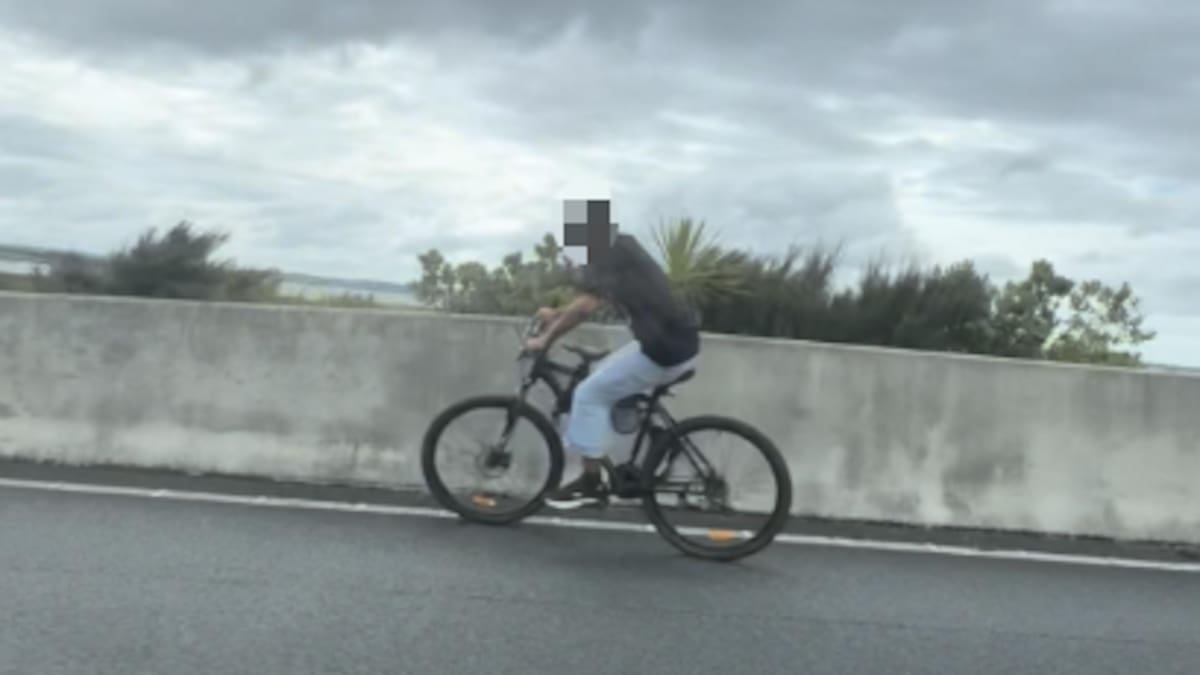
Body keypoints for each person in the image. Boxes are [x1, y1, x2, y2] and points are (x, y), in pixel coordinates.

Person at [524, 228, 700, 509]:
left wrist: (546, 338)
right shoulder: (621, 249)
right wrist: (557, 315)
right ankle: (658, 439)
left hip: (664, 352)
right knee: (604, 378)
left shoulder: (607, 256)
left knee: (588, 394)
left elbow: (585, 307)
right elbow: (592, 300)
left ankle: (591, 483)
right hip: (675, 343)